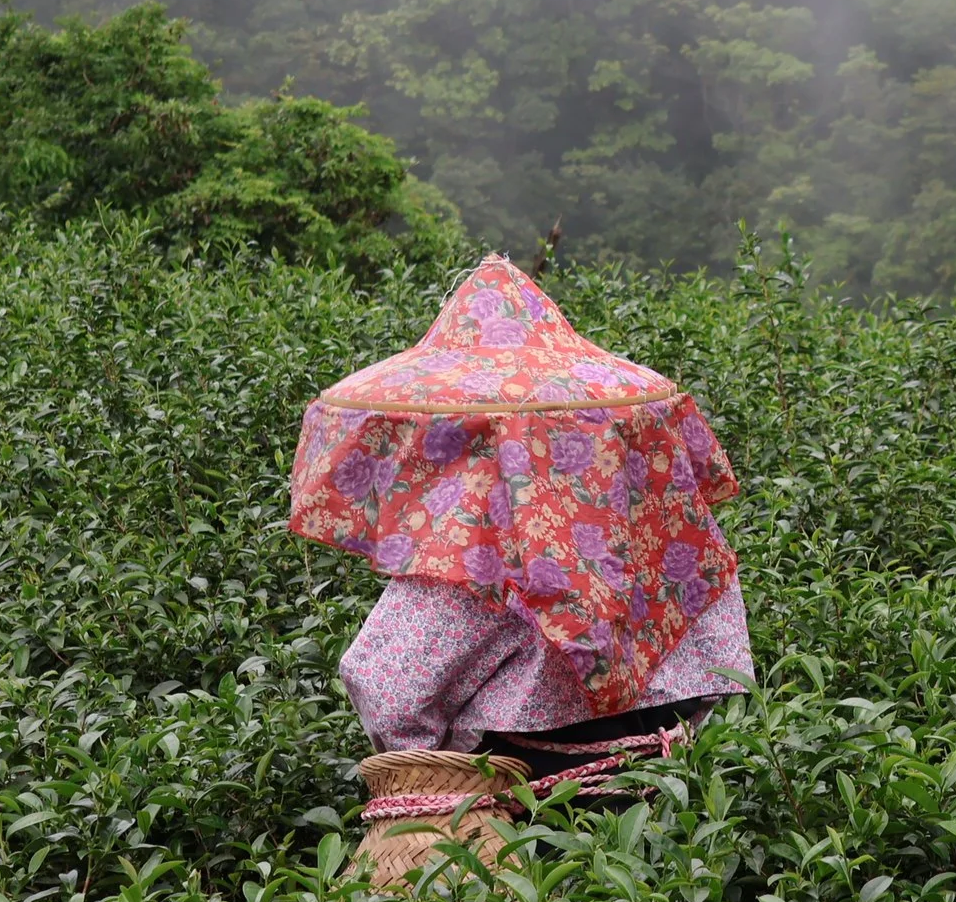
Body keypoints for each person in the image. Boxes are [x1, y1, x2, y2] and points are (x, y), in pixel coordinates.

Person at [289, 254, 753, 801]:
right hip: (674, 794)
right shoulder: (670, 522)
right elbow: (724, 667)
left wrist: (442, 779)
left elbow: (388, 684)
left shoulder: (477, 543)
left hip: (526, 817)